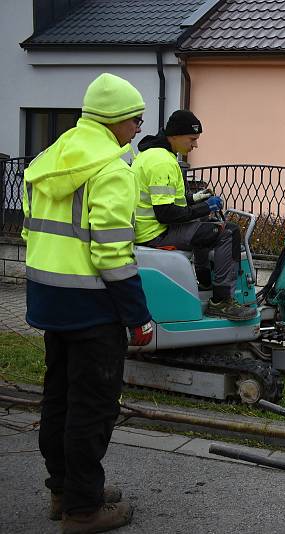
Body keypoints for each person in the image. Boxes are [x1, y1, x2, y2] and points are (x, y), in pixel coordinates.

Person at [22, 72, 154, 533]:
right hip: (93, 309)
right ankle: (83, 511)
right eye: (135, 119)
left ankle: (64, 490)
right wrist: (138, 317)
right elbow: (113, 254)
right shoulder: (112, 170)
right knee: (92, 407)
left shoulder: (48, 160)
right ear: (116, 120)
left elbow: (28, 232)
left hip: (49, 302)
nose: (139, 127)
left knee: (57, 398)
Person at [132, 110, 255, 321]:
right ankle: (222, 301)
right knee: (228, 232)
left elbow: (168, 201)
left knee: (203, 226)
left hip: (149, 229)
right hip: (156, 234)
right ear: (175, 135)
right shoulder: (162, 162)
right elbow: (166, 213)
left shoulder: (152, 155)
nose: (195, 145)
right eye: (192, 139)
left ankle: (206, 283)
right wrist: (206, 207)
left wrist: (195, 199)